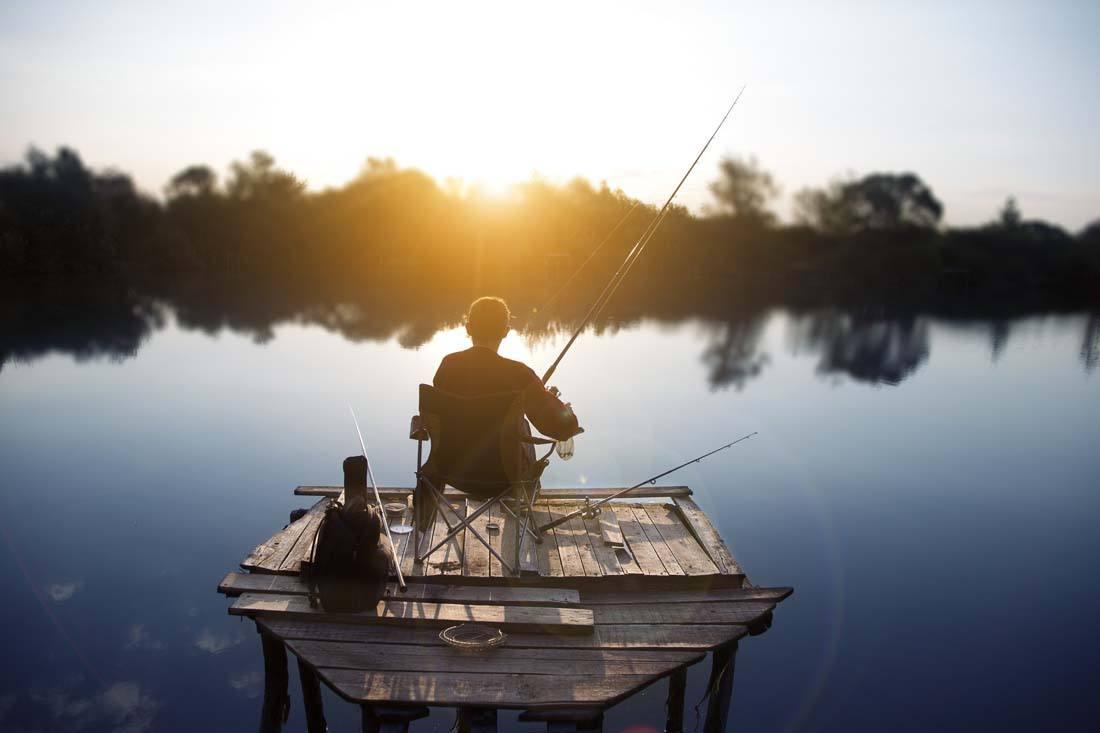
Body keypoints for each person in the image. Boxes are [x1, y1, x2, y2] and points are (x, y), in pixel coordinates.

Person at [434, 296, 581, 449]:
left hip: (446, 466)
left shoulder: (448, 365)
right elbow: (563, 429)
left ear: (468, 328)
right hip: (500, 470)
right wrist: (564, 411)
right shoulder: (519, 374)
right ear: (506, 331)